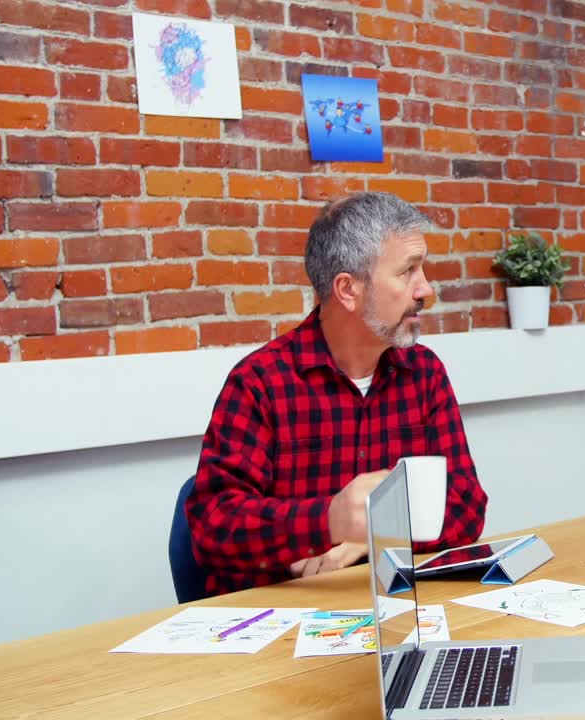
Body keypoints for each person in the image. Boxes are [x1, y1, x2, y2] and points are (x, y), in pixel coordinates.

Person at [187, 191, 489, 597]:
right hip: (282, 625)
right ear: (348, 290)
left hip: (393, 611)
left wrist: (373, 536)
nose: (426, 290)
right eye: (408, 272)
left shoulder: (425, 374)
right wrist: (328, 520)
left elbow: (466, 504)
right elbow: (213, 525)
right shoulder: (260, 383)